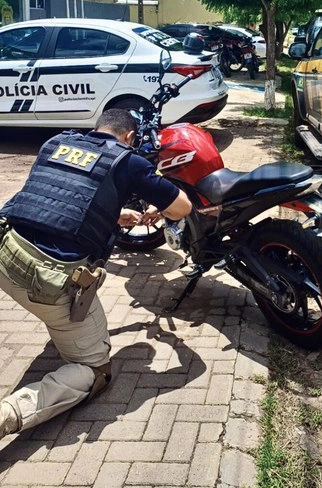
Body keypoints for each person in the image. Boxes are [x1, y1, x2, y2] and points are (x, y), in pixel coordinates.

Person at [0, 109, 192, 439]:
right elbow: (182, 207)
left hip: (6, 253)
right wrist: (158, 208)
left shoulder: (57, 142)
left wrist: (112, 214)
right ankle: (8, 415)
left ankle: (64, 329)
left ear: (99, 127)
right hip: (47, 280)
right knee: (94, 370)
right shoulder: (129, 161)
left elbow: (58, 203)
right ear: (130, 136)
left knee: (63, 318)